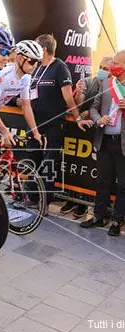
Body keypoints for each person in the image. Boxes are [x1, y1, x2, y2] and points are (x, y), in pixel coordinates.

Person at [28, 34, 82, 210]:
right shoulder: (35, 67)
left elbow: (68, 95)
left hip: (53, 124)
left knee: (49, 163)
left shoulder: (60, 67)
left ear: (44, 49)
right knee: (32, 161)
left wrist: (78, 117)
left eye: (35, 48)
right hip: (34, 124)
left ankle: (45, 202)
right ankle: (31, 198)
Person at [61, 57, 113, 218]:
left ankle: (86, 202)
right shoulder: (88, 81)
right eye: (101, 66)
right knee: (74, 164)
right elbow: (77, 104)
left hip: (98, 132)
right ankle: (74, 199)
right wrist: (80, 92)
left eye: (107, 68)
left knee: (93, 168)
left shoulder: (113, 87)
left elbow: (102, 108)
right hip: (79, 130)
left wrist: (87, 113)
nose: (103, 70)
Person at [80, 50, 125, 236]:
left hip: (122, 144)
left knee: (123, 185)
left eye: (116, 63)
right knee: (102, 181)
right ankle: (98, 216)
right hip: (104, 140)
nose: (112, 66)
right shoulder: (106, 82)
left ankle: (117, 220)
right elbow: (94, 107)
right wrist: (99, 120)